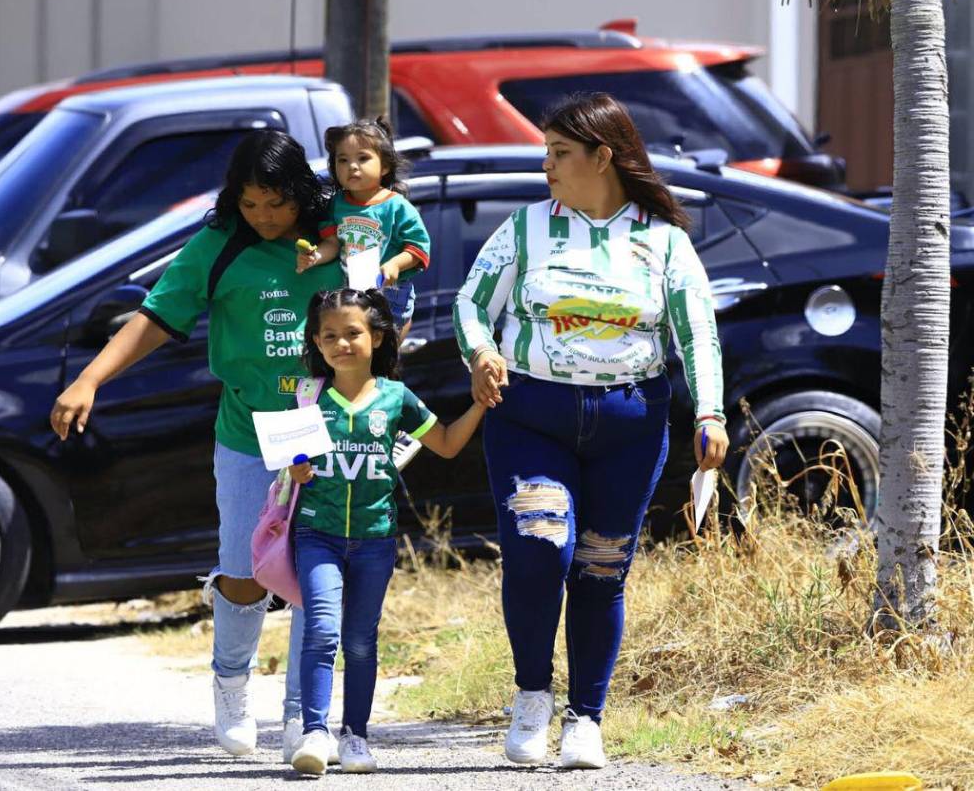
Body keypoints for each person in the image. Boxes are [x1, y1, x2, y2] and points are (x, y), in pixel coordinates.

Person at [452, 93, 728, 770]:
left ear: (603, 157)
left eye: (560, 153)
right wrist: (482, 353)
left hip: (630, 428)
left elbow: (697, 334)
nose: (546, 165)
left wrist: (710, 412)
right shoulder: (523, 230)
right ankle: (531, 696)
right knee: (541, 549)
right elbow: (470, 304)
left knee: (602, 568)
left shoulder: (662, 242)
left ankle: (586, 720)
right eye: (545, 152)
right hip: (531, 422)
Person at [49, 130, 344, 760]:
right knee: (243, 574)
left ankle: (305, 716)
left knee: (313, 574)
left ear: (302, 193)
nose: (263, 216)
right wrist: (89, 379)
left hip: (323, 430)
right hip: (246, 431)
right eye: (250, 202)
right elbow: (155, 319)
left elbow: (391, 269)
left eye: (276, 202)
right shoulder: (217, 245)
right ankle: (232, 684)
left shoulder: (335, 240)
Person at [286, 288, 486, 775]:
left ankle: (355, 736)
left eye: (353, 333)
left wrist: (480, 404)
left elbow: (446, 445)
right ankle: (315, 732)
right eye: (329, 335)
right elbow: (291, 464)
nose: (341, 343)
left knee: (359, 641)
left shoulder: (398, 397)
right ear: (316, 340)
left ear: (378, 337)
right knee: (321, 630)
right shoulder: (306, 394)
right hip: (318, 534)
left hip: (376, 539)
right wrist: (296, 472)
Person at [296, 117, 430, 337]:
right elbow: (332, 243)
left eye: (363, 158)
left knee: (379, 354)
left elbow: (418, 249)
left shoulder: (397, 206)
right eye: (343, 160)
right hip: (351, 291)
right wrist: (315, 256)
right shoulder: (336, 204)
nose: (352, 167)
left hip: (390, 292)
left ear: (385, 166)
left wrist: (395, 265)